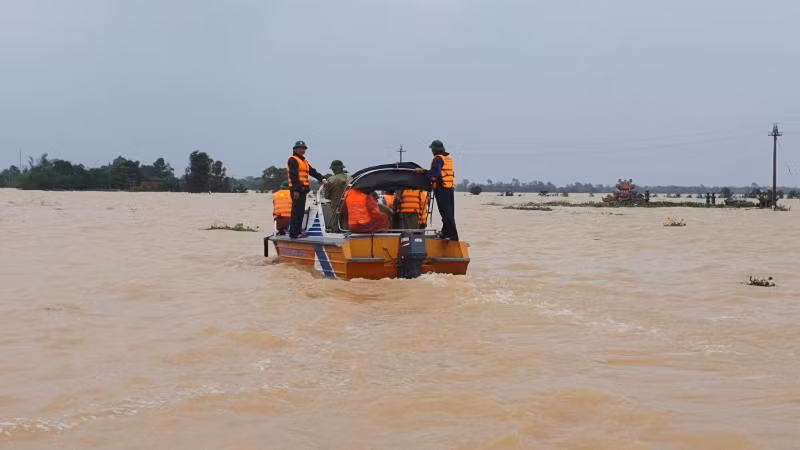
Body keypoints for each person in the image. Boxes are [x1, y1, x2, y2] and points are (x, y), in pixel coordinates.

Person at [416, 139, 458, 240]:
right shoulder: (448, 158)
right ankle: (446, 232)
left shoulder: (438, 159)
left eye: (432, 149)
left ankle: (452, 235)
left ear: (434, 150)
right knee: (449, 212)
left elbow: (435, 173)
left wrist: (423, 172)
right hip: (449, 188)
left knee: (445, 213)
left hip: (442, 188)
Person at [287, 140, 327, 239]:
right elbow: (293, 175)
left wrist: (322, 178)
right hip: (297, 190)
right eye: (300, 148)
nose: (302, 150)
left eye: (303, 149)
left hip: (303, 190)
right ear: (295, 149)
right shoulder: (293, 159)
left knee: (300, 211)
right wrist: (296, 190)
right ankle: (294, 233)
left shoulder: (304, 161)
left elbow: (312, 171)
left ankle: (298, 231)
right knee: (296, 212)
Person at [323, 160, 350, 232]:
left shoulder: (331, 179)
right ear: (342, 168)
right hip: (349, 204)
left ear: (333, 169)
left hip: (336, 205)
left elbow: (326, 196)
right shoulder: (350, 178)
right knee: (346, 222)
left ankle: (336, 234)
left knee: (336, 223)